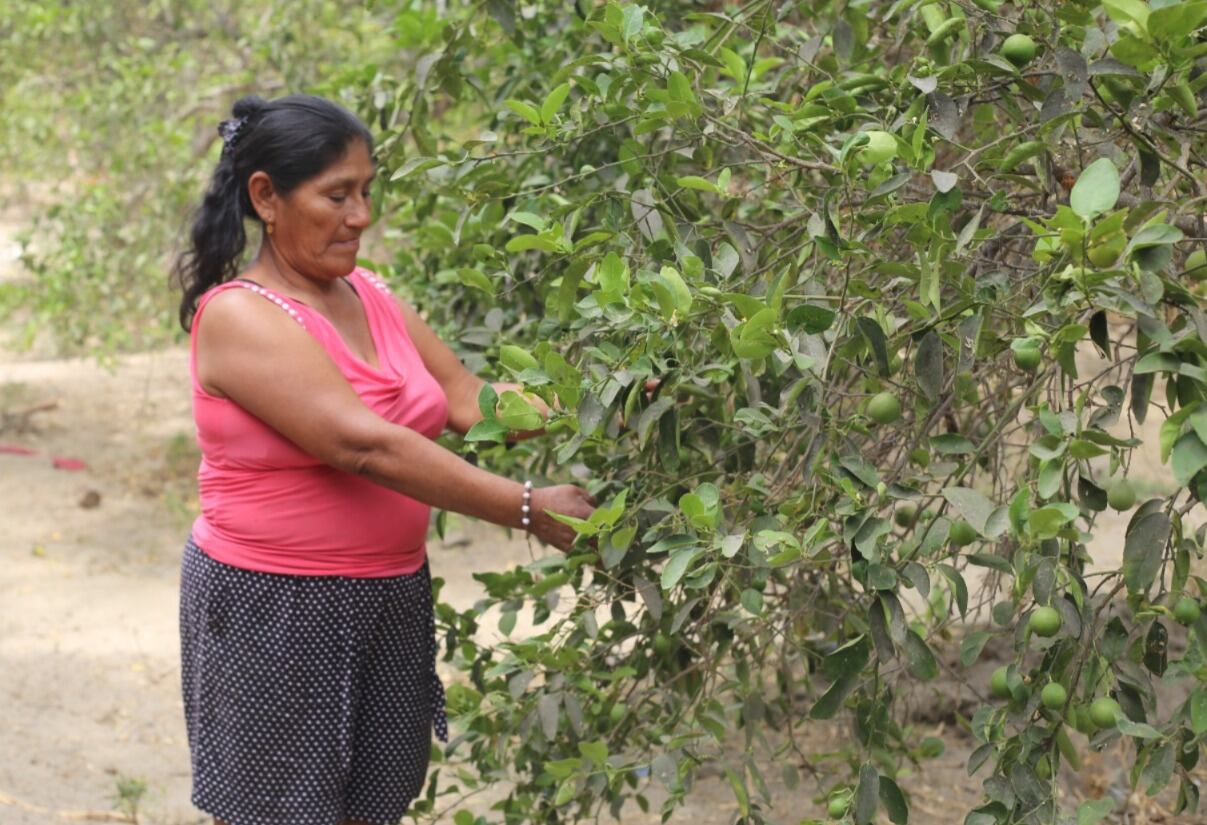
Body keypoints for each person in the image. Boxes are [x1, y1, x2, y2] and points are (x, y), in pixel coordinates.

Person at [173, 93, 595, 825]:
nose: (361, 215)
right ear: (266, 198)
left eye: (366, 192)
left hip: (388, 596)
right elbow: (361, 442)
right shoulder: (241, 316)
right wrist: (525, 506)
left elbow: (469, 400)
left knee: (372, 808)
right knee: (277, 813)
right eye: (337, 195)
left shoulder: (369, 293)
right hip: (277, 604)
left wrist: (607, 393)